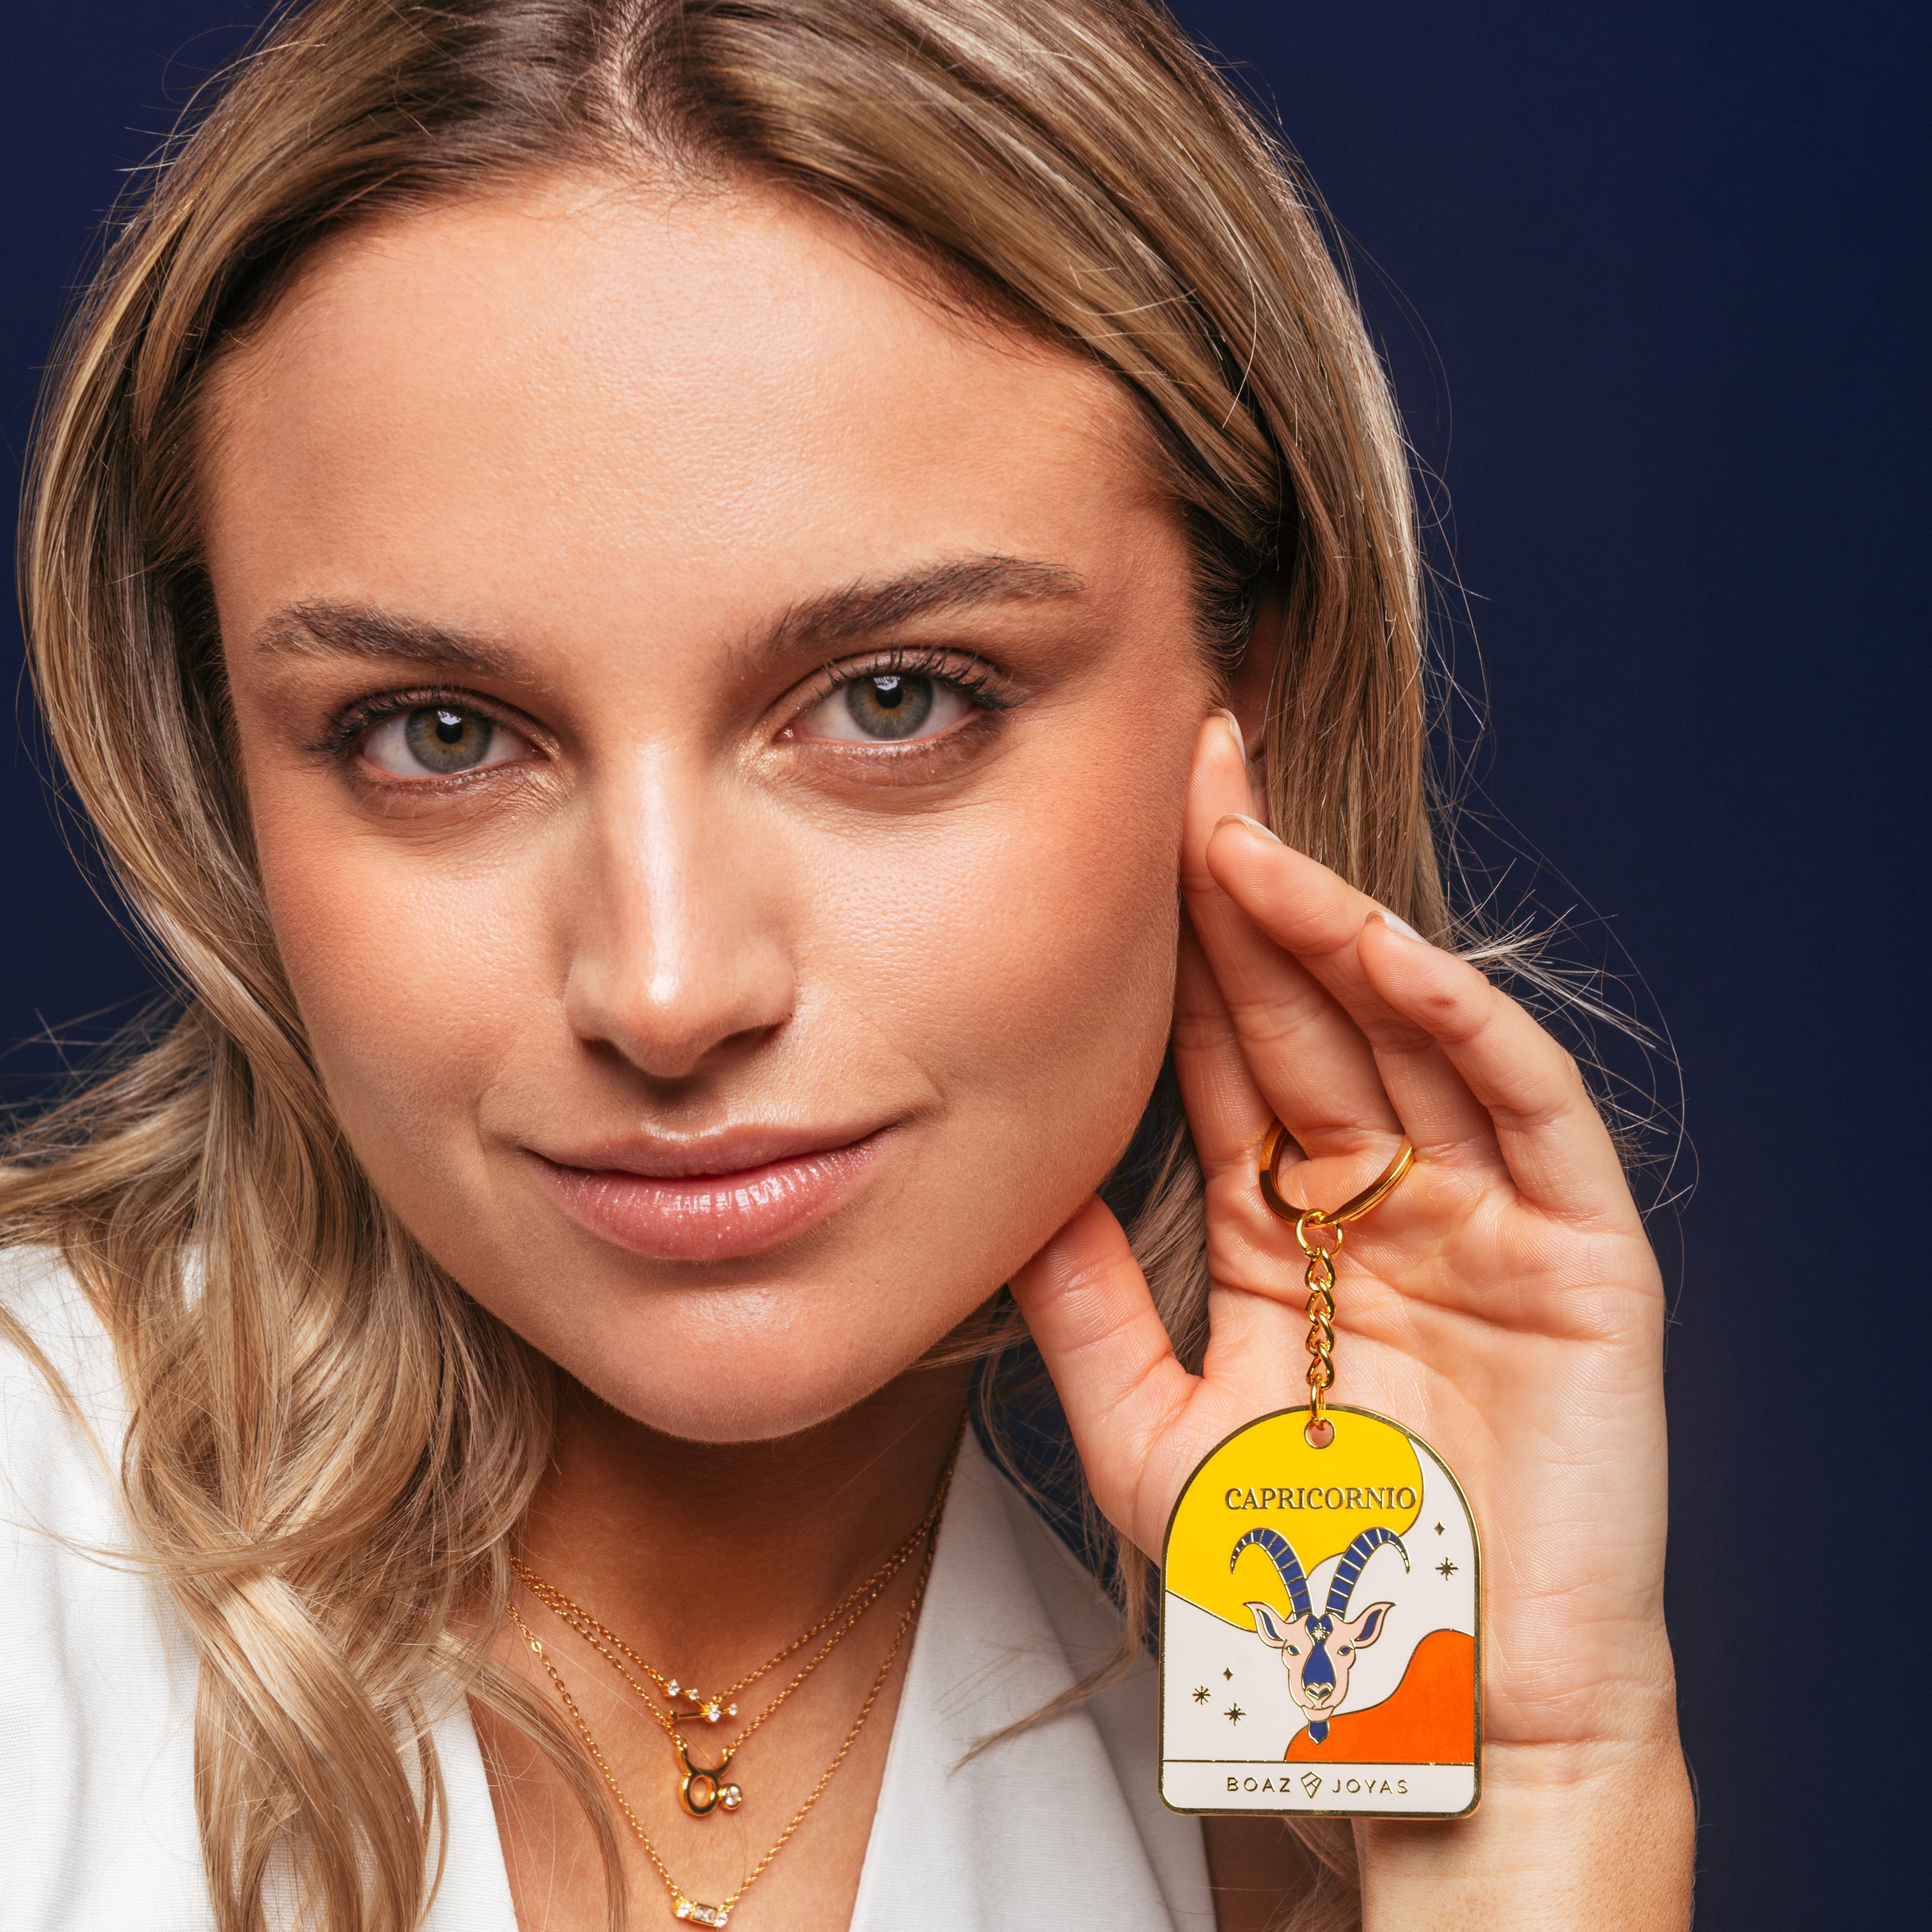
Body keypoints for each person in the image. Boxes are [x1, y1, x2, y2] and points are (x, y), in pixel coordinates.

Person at [0, 2, 1694, 1928]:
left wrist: (1537, 1803)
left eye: (894, 699)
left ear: (1256, 706)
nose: (663, 989)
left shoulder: (1298, 1806)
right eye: (436, 733)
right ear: (222, 765)